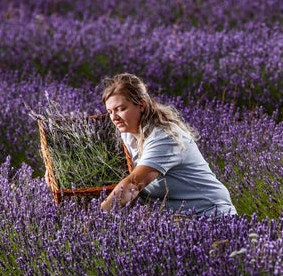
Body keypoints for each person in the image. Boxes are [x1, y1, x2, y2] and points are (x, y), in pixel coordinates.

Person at [100, 73, 237, 217]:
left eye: (121, 109)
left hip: (210, 213)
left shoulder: (164, 137)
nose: (114, 118)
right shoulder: (127, 132)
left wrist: (97, 217)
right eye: (110, 112)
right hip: (176, 218)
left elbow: (133, 185)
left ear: (141, 105)